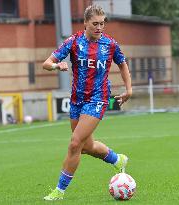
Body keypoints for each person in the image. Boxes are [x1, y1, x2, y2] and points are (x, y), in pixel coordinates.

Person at [42, 4, 132, 201]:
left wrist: (129, 89)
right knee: (85, 145)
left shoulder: (110, 44)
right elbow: (46, 63)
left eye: (102, 24)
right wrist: (57, 65)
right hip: (77, 100)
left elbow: (123, 64)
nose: (100, 27)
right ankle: (117, 159)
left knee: (75, 143)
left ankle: (59, 191)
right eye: (95, 24)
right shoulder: (74, 42)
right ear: (85, 23)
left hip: (98, 99)